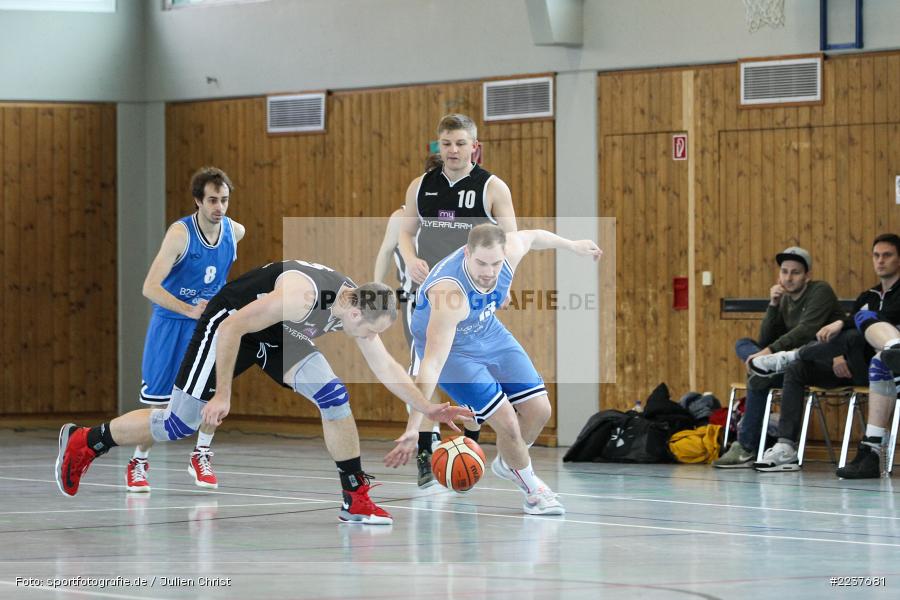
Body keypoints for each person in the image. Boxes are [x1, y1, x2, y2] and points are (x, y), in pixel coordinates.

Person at [55, 261, 473, 525]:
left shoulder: (353, 304)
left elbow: (386, 366)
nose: (366, 338)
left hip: (279, 334)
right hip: (230, 323)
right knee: (177, 423)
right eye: (367, 329)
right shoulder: (302, 297)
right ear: (355, 310)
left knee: (334, 397)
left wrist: (428, 409)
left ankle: (355, 497)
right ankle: (86, 441)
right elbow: (233, 327)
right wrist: (223, 394)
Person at [385, 224, 602, 515]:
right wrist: (415, 425)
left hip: (488, 332)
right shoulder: (450, 294)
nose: (489, 272)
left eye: (496, 263)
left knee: (540, 411)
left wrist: (572, 244)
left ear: (504, 254)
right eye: (481, 263)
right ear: (467, 253)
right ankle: (533, 492)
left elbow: (534, 236)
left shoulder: (510, 251)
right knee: (508, 423)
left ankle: (508, 461)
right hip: (453, 354)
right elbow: (431, 364)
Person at [396, 115, 518, 488]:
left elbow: (511, 242)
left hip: (473, 295)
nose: (452, 150)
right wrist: (410, 257)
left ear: (474, 147)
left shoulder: (492, 188)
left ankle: (470, 440)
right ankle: (423, 448)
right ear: (439, 146)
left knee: (473, 369)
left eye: (460, 143)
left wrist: (506, 281)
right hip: (430, 295)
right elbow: (405, 231)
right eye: (446, 143)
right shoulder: (421, 186)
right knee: (423, 371)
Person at [131, 166, 245, 492]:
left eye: (224, 200)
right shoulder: (180, 235)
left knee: (210, 392)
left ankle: (202, 452)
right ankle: (139, 461)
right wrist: (188, 309)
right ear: (198, 200)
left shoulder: (234, 232)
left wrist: (207, 312)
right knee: (160, 405)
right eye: (212, 200)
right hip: (171, 324)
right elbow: (149, 287)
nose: (219, 207)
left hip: (207, 327)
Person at [751, 234, 900, 478]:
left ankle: (791, 355)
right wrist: (837, 354)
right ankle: (785, 446)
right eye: (876, 255)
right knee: (798, 370)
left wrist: (842, 322)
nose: (880, 261)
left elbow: (887, 315)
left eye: (887, 255)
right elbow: (763, 339)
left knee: (859, 327)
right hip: (855, 363)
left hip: (883, 368)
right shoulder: (868, 296)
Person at [713, 247, 844, 469]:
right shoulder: (783, 299)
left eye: (795, 272)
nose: (789, 277)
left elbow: (806, 330)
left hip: (815, 362)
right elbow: (764, 339)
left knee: (758, 375)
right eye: (784, 272)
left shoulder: (820, 291)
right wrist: (773, 305)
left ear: (807, 275)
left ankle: (746, 446)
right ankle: (764, 366)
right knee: (743, 344)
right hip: (784, 364)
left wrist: (769, 351)